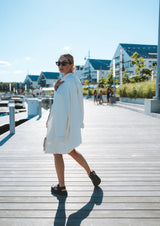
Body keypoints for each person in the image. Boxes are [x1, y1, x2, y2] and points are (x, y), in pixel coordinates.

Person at [44, 53, 101, 196]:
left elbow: (61, 108)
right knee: (71, 150)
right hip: (71, 122)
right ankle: (90, 172)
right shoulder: (74, 80)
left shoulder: (65, 83)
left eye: (64, 63)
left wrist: (58, 130)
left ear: (71, 64)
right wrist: (56, 89)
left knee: (57, 153)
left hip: (61, 124)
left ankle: (61, 187)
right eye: (58, 63)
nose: (60, 66)